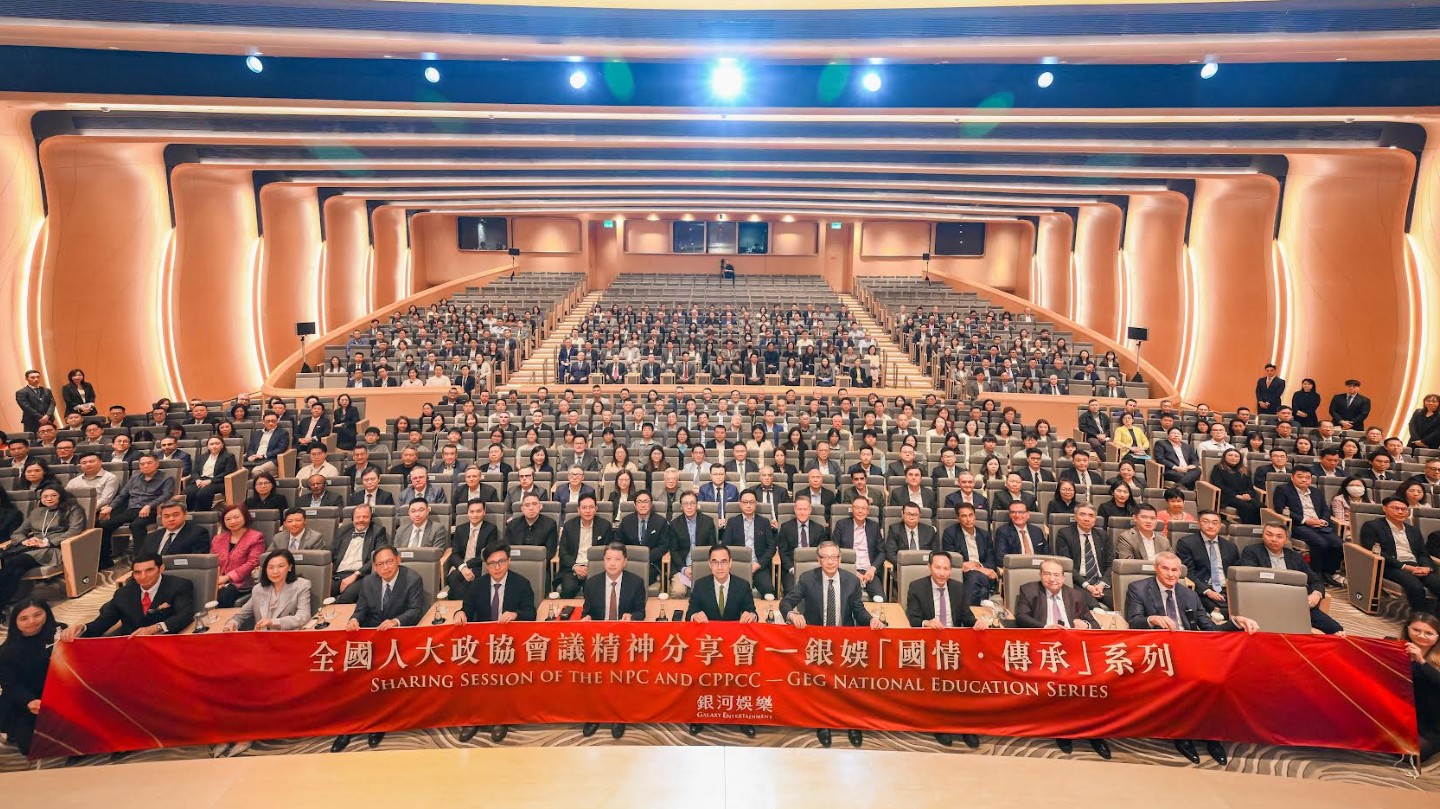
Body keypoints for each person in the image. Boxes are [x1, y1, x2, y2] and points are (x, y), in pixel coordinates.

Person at [1123, 551, 1258, 765]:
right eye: (1165, 569)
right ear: (1156, 569)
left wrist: (1235, 622)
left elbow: (1210, 629)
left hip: (1190, 650)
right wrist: (1152, 619)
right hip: (1159, 651)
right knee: (1186, 681)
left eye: (1175, 570)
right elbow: (1133, 621)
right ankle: (1183, 735)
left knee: (1218, 681)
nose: (1170, 574)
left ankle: (1210, 735)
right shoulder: (1138, 588)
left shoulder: (1189, 595)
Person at [780, 539, 883, 748]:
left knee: (851, 684)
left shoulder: (851, 581)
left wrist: (871, 620)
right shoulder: (807, 578)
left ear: (840, 559)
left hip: (844, 640)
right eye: (825, 557)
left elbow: (858, 611)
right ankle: (823, 723)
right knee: (822, 685)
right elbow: (786, 602)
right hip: (818, 642)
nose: (830, 561)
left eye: (834, 557)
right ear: (818, 560)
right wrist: (792, 614)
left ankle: (852, 723)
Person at [333, 545, 430, 753]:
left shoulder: (412, 579)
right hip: (372, 637)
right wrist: (354, 620)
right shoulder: (368, 582)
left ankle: (377, 723)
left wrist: (396, 621)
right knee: (350, 674)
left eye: (389, 562)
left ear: (398, 559)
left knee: (380, 677)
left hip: (398, 638)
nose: (385, 568)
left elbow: (415, 610)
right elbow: (361, 610)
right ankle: (349, 725)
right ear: (375, 567)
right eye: (380, 564)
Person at [1013, 558, 1110, 759]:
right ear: (1041, 576)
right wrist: (1045, 628)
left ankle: (1095, 734)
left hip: (1072, 649)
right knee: (1061, 682)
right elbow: (1021, 617)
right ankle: (1063, 730)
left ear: (1064, 577)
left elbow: (1094, 624)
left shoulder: (1076, 595)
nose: (1052, 579)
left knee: (1095, 682)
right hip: (1043, 649)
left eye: (1056, 574)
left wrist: (1086, 625)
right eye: (1047, 574)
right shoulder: (1028, 590)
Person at [453, 542, 537, 743]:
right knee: (469, 672)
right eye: (492, 563)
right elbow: (466, 609)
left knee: (502, 674)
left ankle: (500, 718)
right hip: (483, 642)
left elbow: (531, 614)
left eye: (501, 562)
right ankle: (474, 718)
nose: (497, 567)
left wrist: (515, 615)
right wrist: (460, 613)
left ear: (509, 561)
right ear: (486, 565)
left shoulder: (521, 584)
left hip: (510, 643)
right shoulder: (477, 585)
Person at [1238, 522, 1344, 634]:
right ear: (1263, 535)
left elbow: (1315, 579)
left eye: (1279, 536)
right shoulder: (1252, 552)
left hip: (1297, 605)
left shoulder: (1295, 557)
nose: (1273, 539)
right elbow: (1251, 579)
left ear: (1286, 539)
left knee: (1337, 630)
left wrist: (1316, 594)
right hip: (1267, 603)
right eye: (1269, 534)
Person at [60, 553, 195, 639]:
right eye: (137, 572)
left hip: (165, 641)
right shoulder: (123, 593)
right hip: (131, 643)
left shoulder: (180, 585)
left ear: (161, 569)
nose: (143, 576)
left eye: (149, 570)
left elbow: (185, 615)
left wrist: (156, 627)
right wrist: (83, 628)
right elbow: (104, 621)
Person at [0, 485, 84, 610]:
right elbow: (18, 533)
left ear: (61, 496)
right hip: (32, 548)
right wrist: (25, 541)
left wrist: (48, 542)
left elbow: (74, 530)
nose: (49, 498)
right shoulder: (37, 512)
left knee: (14, 562)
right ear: (41, 499)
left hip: (53, 549)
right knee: (17, 571)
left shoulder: (72, 510)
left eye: (53, 495)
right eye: (45, 496)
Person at [0, 599, 60, 755]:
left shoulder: (60, 633)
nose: (32, 621)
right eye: (24, 618)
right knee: (31, 746)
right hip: (29, 699)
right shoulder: (7, 651)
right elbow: (10, 686)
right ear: (15, 622)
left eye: (38, 615)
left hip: (59, 692)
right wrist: (29, 701)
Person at [1360, 497, 1440, 612]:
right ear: (1385, 508)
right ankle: (1420, 617)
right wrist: (1405, 567)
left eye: (1404, 509)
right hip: (1391, 566)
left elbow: (1423, 553)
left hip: (1416, 565)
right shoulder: (1372, 526)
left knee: (1437, 583)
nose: (1400, 512)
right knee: (1415, 586)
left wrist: (1427, 567)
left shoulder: (1413, 530)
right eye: (1396, 508)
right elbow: (1376, 551)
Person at [96, 453, 176, 568]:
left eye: (149, 463)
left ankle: (140, 560)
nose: (145, 466)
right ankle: (105, 561)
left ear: (157, 464)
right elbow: (122, 496)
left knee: (136, 526)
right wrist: (110, 507)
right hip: (132, 510)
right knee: (104, 525)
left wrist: (149, 505)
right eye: (142, 464)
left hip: (152, 511)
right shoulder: (134, 479)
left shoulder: (166, 478)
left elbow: (167, 495)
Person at [1270, 466, 1342, 586]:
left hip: (1320, 525)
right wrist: (1306, 520)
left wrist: (1323, 521)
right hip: (1299, 525)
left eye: (1307, 477)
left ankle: (1328, 572)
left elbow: (1325, 509)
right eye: (1300, 477)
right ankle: (1315, 574)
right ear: (1292, 477)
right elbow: (1280, 509)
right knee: (1321, 543)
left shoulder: (1316, 492)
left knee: (1339, 544)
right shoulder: (1283, 489)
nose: (1304, 480)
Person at [1175, 511, 1240, 618]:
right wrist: (1207, 590)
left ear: (1220, 525)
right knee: (1218, 613)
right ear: (1199, 523)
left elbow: (1235, 571)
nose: (1210, 526)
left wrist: (1230, 587)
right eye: (1206, 522)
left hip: (1227, 588)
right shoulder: (1186, 543)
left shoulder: (1230, 546)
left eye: (1215, 523)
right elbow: (1187, 572)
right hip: (1202, 588)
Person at [1053, 504, 1113, 609]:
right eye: (1082, 514)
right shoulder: (1064, 534)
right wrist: (1087, 586)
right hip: (1078, 582)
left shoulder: (1103, 535)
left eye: (1091, 515)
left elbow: (1111, 563)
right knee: (1094, 607)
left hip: (1101, 582)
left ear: (1095, 519)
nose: (1087, 518)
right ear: (1075, 517)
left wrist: (1102, 584)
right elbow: (1067, 565)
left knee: (1119, 604)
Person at [558, 494, 614, 597]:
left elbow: (608, 552)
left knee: (593, 591)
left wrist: (592, 567)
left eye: (591, 507)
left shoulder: (605, 526)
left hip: (595, 568)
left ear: (596, 509)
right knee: (568, 589)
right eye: (584, 507)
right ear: (578, 510)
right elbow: (563, 552)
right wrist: (575, 567)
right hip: (573, 567)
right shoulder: (569, 526)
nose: (588, 511)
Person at [1402, 612, 1440, 762]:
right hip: (1404, 713)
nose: (1421, 636)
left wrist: (1421, 661)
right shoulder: (1396, 648)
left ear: (1437, 637)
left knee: (1409, 755)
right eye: (1416, 630)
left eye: (1429, 633)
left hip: (1432, 722)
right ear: (1408, 629)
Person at [211, 504, 265, 608]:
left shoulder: (256, 537)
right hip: (218, 580)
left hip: (243, 582)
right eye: (228, 519)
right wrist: (216, 580)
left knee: (222, 597)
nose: (232, 521)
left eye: (236, 517)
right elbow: (212, 562)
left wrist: (227, 578)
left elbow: (253, 562)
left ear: (245, 517)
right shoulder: (218, 539)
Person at [331, 504, 388, 603]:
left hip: (361, 576)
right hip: (338, 575)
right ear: (352, 518)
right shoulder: (343, 530)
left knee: (347, 596)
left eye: (365, 517)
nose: (361, 520)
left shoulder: (378, 531)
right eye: (358, 517)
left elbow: (378, 557)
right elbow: (332, 553)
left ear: (370, 518)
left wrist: (355, 575)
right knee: (320, 591)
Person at [831, 495, 885, 598]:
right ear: (852, 509)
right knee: (848, 599)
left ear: (868, 511)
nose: (860, 511)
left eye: (863, 508)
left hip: (869, 572)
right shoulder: (841, 525)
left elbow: (882, 552)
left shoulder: (874, 527)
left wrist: (872, 569)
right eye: (857, 508)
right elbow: (834, 551)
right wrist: (853, 571)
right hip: (848, 571)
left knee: (880, 599)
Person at [446, 499, 500, 602]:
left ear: (484, 511)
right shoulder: (460, 529)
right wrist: (462, 568)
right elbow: (455, 554)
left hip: (479, 566)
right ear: (468, 512)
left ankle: (461, 604)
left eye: (478, 511)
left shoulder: (491, 529)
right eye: (472, 511)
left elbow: (487, 554)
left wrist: (466, 565)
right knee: (454, 577)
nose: (475, 515)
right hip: (461, 566)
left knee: (469, 581)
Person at [136, 500, 211, 558]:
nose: (171, 519)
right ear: (161, 518)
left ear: (185, 515)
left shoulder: (197, 533)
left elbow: (197, 561)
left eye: (175, 515)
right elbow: (140, 560)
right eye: (166, 516)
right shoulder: (151, 537)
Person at [184, 436, 237, 511]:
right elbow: (194, 471)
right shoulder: (201, 457)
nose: (214, 446)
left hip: (217, 482)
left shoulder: (229, 456)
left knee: (202, 494)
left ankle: (203, 514)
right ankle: (190, 513)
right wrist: (197, 480)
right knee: (187, 492)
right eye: (211, 444)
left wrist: (210, 481)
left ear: (222, 445)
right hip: (201, 480)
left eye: (217, 443)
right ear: (208, 446)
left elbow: (228, 472)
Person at [1210, 448, 1261, 524]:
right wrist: (1236, 496)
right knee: (1247, 507)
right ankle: (1248, 526)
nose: (1233, 458)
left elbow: (1250, 487)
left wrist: (1248, 494)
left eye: (1236, 456)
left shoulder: (1245, 470)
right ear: (1224, 457)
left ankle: (1259, 527)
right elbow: (1218, 485)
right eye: (1230, 455)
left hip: (1244, 496)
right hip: (1227, 496)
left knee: (1260, 506)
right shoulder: (1219, 468)